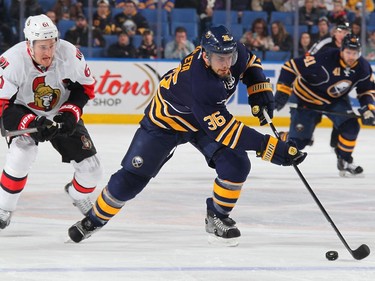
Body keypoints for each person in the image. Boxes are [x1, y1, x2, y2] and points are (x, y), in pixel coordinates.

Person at [67, 25, 306, 245]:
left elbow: (251, 62)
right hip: (165, 124)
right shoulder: (200, 82)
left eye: (229, 58)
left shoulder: (234, 53)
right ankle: (94, 219)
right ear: (205, 55)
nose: (226, 64)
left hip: (202, 122)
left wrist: (259, 89)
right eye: (220, 59)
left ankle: (217, 217)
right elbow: (227, 131)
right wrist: (271, 148)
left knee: (236, 164)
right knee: (131, 179)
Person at [0, 14, 103, 229]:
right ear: (29, 44)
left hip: (59, 109)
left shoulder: (70, 54)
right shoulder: (11, 61)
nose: (49, 53)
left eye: (51, 45)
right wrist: (31, 121)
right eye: (42, 47)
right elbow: (2, 105)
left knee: (92, 170)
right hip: (23, 111)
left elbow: (86, 88)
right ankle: (4, 207)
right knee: (22, 153)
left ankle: (75, 193)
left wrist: (70, 112)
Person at [274, 34, 375, 177]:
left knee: (351, 126)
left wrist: (368, 108)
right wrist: (283, 90)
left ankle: (345, 160)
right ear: (341, 50)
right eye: (348, 52)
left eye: (355, 53)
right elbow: (291, 66)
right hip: (306, 100)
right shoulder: (325, 58)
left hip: (333, 101)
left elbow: (366, 90)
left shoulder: (363, 67)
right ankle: (285, 136)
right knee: (298, 144)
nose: (351, 56)